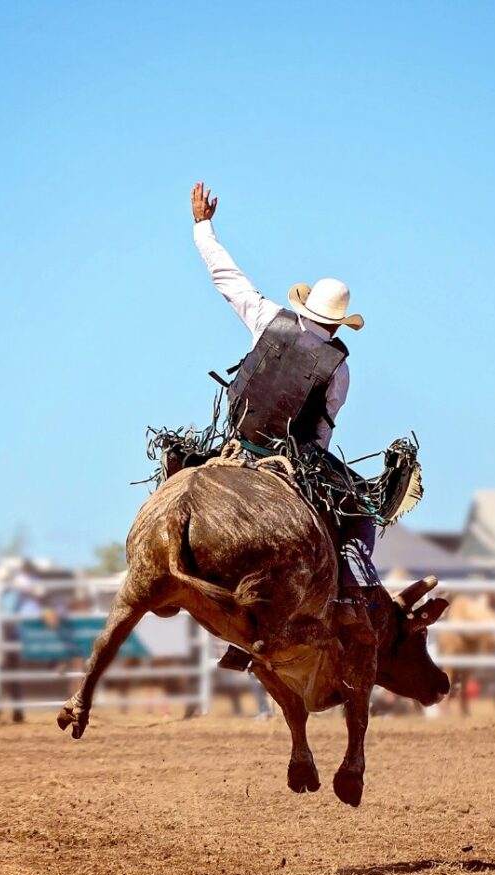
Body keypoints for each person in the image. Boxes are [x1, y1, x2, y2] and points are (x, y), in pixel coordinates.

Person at [191, 182, 380, 669]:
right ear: (338, 325)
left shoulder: (266, 317)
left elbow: (226, 277)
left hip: (234, 444)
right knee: (359, 511)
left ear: (303, 306)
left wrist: (202, 225)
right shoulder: (339, 367)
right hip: (288, 461)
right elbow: (322, 430)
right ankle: (350, 597)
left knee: (182, 468)